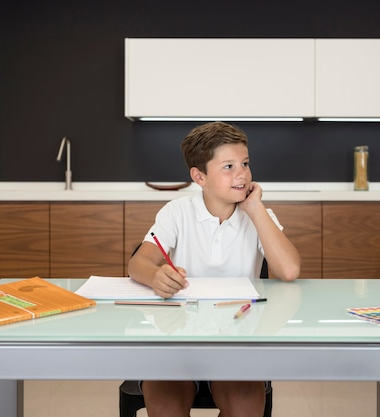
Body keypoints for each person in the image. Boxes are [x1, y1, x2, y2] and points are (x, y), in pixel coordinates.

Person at [128, 121, 301, 417]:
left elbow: (289, 270)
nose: (242, 174)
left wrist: (256, 209)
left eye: (245, 164)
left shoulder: (259, 215)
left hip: (238, 338)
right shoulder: (177, 212)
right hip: (178, 337)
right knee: (165, 404)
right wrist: (156, 276)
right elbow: (137, 264)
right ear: (199, 176)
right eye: (229, 167)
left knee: (245, 405)